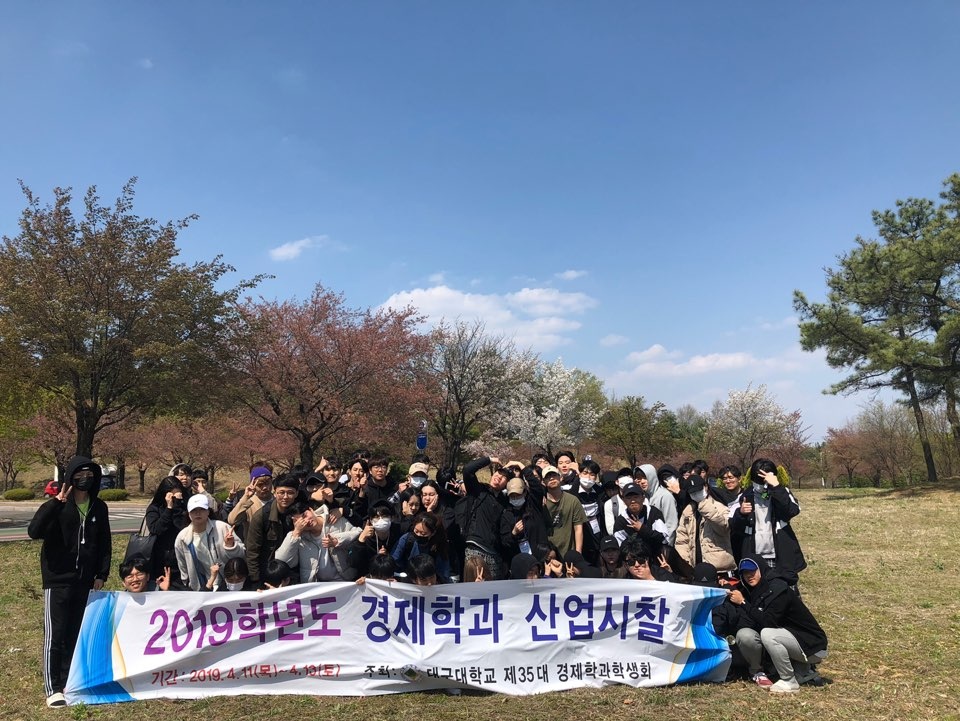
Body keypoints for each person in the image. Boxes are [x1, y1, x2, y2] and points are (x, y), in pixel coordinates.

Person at [28, 456, 112, 708]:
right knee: (56, 634)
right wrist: (55, 504)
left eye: (89, 475)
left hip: (85, 580)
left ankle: (68, 682)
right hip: (57, 579)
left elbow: (104, 543)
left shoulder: (99, 507)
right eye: (79, 475)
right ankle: (53, 688)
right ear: (70, 478)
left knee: (76, 632)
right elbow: (34, 531)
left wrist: (101, 574)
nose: (84, 479)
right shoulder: (59, 505)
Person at [730, 555, 829, 692]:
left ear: (761, 569)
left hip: (812, 646)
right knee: (744, 634)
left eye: (752, 571)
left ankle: (789, 680)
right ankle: (758, 672)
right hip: (790, 638)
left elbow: (768, 622)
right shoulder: (747, 591)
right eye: (745, 573)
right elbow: (750, 620)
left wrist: (743, 603)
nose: (749, 576)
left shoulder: (778, 588)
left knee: (768, 634)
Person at [729, 458, 806, 584]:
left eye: (764, 480)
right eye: (757, 480)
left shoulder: (782, 492)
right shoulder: (745, 496)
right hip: (754, 554)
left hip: (779, 554)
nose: (761, 485)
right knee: (757, 590)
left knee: (783, 589)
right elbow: (733, 525)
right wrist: (741, 513)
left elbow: (792, 511)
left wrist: (777, 487)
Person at [275, 499, 360, 583]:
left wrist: (338, 540)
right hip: (316, 586)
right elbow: (282, 560)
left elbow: (359, 534)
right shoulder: (299, 538)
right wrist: (296, 533)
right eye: (301, 521)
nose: (307, 521)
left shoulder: (334, 519)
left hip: (344, 581)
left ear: (311, 510)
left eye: (305, 515)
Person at [456, 456, 511, 580]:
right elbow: (468, 470)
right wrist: (489, 459)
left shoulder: (505, 501)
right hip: (475, 546)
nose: (499, 477)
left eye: (504, 477)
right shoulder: (478, 489)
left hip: (495, 553)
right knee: (473, 584)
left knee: (493, 588)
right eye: (498, 473)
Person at [174, 495, 245, 591]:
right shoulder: (182, 537)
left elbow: (242, 555)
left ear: (208, 511)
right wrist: (187, 583)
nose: (198, 513)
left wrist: (230, 546)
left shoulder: (222, 528)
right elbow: (182, 566)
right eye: (194, 510)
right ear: (189, 514)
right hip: (200, 587)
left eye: (202, 509)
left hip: (227, 584)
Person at [673, 473, 736, 579]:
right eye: (692, 492)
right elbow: (682, 539)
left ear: (706, 487)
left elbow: (724, 528)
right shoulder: (688, 511)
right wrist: (685, 563)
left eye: (698, 490)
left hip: (718, 567)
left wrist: (704, 505)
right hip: (695, 567)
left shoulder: (719, 507)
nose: (696, 494)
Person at [245, 474, 299, 584]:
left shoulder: (301, 513)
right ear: (274, 492)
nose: (285, 497)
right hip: (270, 572)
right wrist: (255, 580)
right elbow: (252, 551)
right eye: (281, 492)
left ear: (296, 493)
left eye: (290, 493)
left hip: (294, 571)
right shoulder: (261, 516)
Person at [143, 476, 191, 586]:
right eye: (172, 496)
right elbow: (156, 529)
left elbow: (183, 528)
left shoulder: (184, 507)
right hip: (161, 558)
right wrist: (169, 509)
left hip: (182, 556)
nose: (174, 499)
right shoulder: (154, 508)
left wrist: (178, 506)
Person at [542, 466, 587, 558]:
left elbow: (578, 528)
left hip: (569, 552)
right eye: (548, 477)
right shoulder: (541, 502)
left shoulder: (572, 500)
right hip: (548, 554)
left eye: (554, 475)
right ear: (543, 482)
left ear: (560, 477)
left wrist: (578, 554)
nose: (551, 478)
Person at [226, 465, 274, 541]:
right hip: (254, 545)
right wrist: (246, 497)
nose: (264, 488)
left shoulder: (277, 500)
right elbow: (232, 520)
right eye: (260, 485)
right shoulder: (249, 503)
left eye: (267, 483)